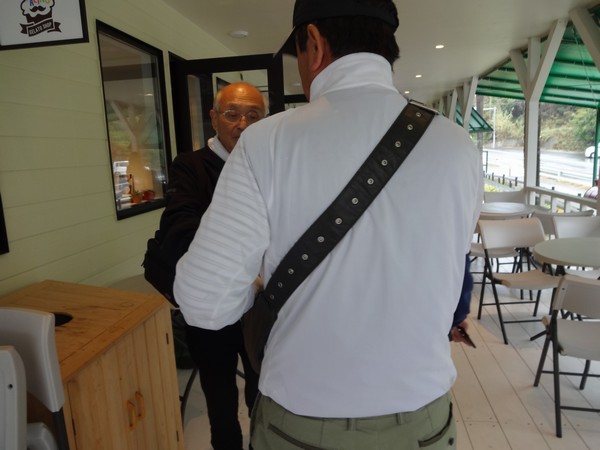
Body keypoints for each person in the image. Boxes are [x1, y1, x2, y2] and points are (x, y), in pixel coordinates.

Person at [174, 0, 483, 448]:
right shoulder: (459, 146)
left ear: (314, 44)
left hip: (302, 424)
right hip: (424, 421)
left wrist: (258, 285)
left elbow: (204, 302)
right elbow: (453, 266)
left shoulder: (267, 142)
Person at [154, 82, 266, 450]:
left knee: (261, 389)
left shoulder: (267, 165)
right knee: (219, 398)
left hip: (259, 305)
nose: (243, 124)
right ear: (214, 118)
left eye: (253, 116)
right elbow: (180, 229)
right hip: (210, 304)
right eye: (232, 114)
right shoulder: (191, 167)